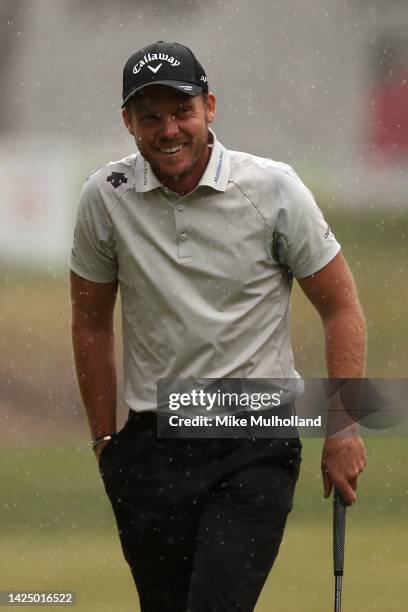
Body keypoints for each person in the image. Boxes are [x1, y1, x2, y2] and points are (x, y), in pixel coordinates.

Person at [70, 41, 367, 612]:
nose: (168, 130)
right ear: (127, 121)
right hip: (151, 447)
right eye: (150, 116)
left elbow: (341, 307)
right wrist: (106, 441)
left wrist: (344, 427)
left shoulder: (274, 189)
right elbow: (90, 322)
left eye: (181, 111)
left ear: (209, 107)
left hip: (254, 439)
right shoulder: (105, 198)